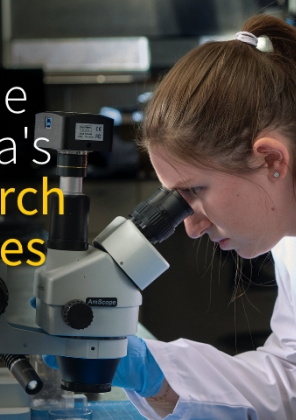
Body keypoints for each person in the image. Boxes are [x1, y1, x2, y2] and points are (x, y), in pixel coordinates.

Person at [118, 13, 296, 419]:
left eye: (194, 191)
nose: (191, 227)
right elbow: (290, 379)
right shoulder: (289, 244)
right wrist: (156, 375)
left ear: (270, 159)